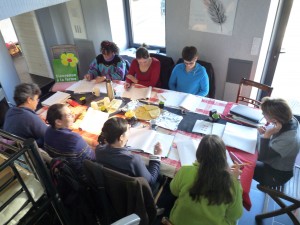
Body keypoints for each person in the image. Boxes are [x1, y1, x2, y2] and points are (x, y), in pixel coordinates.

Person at [169, 135, 243, 225]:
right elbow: (235, 215)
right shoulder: (232, 184)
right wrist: (236, 180)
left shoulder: (185, 170)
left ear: (198, 153)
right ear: (224, 157)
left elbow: (174, 191)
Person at [95, 117, 162, 190]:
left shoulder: (98, 150)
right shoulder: (133, 160)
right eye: (128, 129)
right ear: (121, 137)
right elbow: (151, 181)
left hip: (111, 189)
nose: (130, 131)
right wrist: (156, 157)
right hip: (132, 194)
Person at [254, 97, 300, 186]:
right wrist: (264, 135)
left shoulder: (289, 139)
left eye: (264, 114)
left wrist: (266, 135)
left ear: (274, 120)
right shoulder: (290, 119)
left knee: (242, 165)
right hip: (276, 164)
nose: (263, 116)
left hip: (276, 175)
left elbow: (262, 157)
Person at [44, 103, 95, 180]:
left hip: (64, 172)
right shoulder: (74, 139)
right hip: (82, 177)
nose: (73, 116)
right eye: (69, 115)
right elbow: (93, 159)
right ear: (58, 122)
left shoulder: (48, 130)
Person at [3, 83, 47, 147]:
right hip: (31, 151)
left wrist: (37, 120)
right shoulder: (30, 118)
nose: (37, 102)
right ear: (29, 100)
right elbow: (48, 135)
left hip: (15, 149)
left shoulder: (10, 111)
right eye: (36, 99)